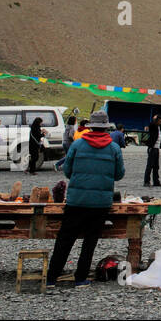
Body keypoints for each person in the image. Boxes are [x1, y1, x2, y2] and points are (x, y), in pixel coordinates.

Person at [46, 111, 124, 287]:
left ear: (90, 126)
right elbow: (119, 175)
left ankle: (51, 277)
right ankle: (80, 278)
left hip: (76, 200)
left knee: (64, 239)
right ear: (106, 128)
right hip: (101, 203)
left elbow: (67, 171)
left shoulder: (78, 144)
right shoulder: (114, 148)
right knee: (90, 241)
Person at [142, 114, 161, 187]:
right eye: (159, 121)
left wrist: (160, 117)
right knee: (149, 166)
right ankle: (146, 181)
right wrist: (154, 119)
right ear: (156, 121)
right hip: (152, 148)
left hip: (157, 148)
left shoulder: (160, 127)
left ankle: (156, 181)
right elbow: (151, 124)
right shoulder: (153, 126)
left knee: (156, 166)